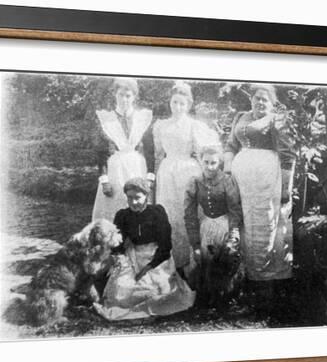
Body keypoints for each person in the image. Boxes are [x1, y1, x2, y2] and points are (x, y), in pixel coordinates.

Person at [223, 84, 296, 316]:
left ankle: (267, 292)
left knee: (265, 227)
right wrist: (227, 173)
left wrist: (286, 186)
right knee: (243, 225)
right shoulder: (240, 117)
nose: (260, 102)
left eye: (265, 99)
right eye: (256, 98)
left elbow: (288, 155)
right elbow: (231, 145)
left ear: (272, 103)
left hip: (267, 181)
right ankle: (246, 286)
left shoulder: (278, 120)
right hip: (242, 182)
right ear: (251, 99)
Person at [93, 177, 195, 321]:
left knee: (157, 290)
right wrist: (123, 260)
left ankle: (154, 306)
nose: (133, 202)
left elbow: (165, 246)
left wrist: (147, 268)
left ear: (146, 196)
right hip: (133, 256)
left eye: (138, 198)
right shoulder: (122, 215)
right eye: (130, 198)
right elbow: (117, 245)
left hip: (157, 258)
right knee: (123, 290)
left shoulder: (157, 213)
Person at [153, 82, 221, 275]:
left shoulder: (194, 126)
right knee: (168, 217)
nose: (178, 107)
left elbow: (205, 153)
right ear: (170, 103)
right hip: (167, 173)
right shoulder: (161, 126)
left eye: (182, 104)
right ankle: (172, 264)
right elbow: (158, 154)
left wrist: (206, 180)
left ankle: (193, 265)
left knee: (187, 216)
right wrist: (155, 178)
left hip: (187, 172)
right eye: (175, 103)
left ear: (188, 105)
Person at [92, 77, 155, 222]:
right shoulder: (106, 118)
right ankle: (114, 241)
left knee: (139, 205)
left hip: (138, 167)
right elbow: (100, 153)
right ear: (115, 94)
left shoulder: (142, 118)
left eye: (128, 96)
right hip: (115, 169)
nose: (124, 99)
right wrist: (104, 180)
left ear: (134, 97)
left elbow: (150, 149)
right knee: (116, 205)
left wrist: (150, 178)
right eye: (121, 95)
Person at [184, 146, 242, 293]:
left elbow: (235, 211)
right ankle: (206, 296)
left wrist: (233, 237)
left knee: (225, 260)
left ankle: (225, 296)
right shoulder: (195, 182)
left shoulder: (227, 181)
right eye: (206, 162)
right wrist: (195, 245)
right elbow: (189, 215)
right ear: (200, 161)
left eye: (214, 163)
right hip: (206, 226)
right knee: (203, 260)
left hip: (224, 225)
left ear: (220, 163)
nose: (209, 167)